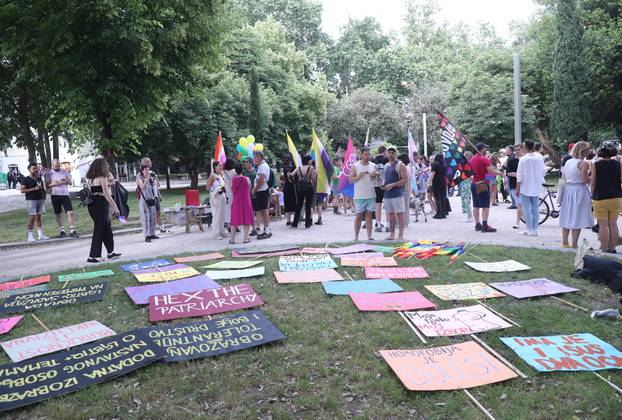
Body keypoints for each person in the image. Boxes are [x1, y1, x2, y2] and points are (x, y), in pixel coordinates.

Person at [85, 158, 120, 263]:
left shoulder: (90, 178)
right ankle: (93, 256)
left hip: (92, 205)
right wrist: (116, 208)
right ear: (102, 166)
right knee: (99, 230)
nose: (107, 166)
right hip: (100, 204)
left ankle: (110, 253)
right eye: (106, 165)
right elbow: (106, 194)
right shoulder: (102, 177)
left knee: (106, 229)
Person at [559, 141, 593, 248]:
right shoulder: (583, 163)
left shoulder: (568, 162)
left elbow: (564, 176)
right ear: (584, 151)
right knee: (577, 216)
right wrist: (592, 176)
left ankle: (565, 242)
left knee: (567, 215)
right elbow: (584, 180)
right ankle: (574, 244)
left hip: (568, 190)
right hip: (579, 190)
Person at [590, 140, 622, 253]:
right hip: (616, 197)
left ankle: (604, 248)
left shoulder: (596, 164)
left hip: (601, 197)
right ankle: (612, 248)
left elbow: (593, 182)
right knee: (613, 223)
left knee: (603, 225)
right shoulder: (618, 164)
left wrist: (592, 195)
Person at [516, 139, 547, 236]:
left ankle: (530, 230)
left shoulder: (523, 159)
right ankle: (535, 229)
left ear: (525, 147)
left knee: (527, 209)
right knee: (535, 209)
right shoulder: (539, 158)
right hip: (536, 186)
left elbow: (519, 176)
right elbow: (543, 171)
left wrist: (517, 188)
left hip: (525, 186)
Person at [471, 143, 502, 232]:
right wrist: (500, 173)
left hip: (474, 183)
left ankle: (477, 224)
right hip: (482, 185)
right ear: (482, 149)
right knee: (485, 206)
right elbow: (491, 172)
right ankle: (485, 226)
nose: (486, 150)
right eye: (485, 148)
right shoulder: (484, 159)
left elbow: (486, 173)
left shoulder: (472, 159)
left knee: (476, 206)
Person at [349, 147, 378, 241]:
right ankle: (356, 237)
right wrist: (360, 176)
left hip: (371, 194)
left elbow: (376, 180)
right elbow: (350, 180)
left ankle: (369, 236)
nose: (367, 156)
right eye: (365, 154)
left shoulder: (373, 165)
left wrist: (375, 176)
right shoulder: (355, 166)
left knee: (369, 215)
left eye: (369, 154)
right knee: (358, 216)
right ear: (361, 155)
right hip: (359, 195)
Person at [45, 158, 77, 237]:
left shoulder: (64, 171)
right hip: (55, 195)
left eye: (58, 165)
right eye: (55, 166)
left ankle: (72, 231)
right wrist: (54, 184)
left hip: (65, 195)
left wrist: (65, 180)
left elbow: (70, 182)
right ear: (52, 165)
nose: (57, 167)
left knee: (70, 213)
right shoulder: (49, 173)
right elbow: (47, 186)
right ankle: (62, 231)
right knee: (58, 214)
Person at [383, 146, 408, 240]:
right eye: (389, 152)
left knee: (400, 214)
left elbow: (405, 180)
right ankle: (392, 234)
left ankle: (400, 235)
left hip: (397, 194)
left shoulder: (401, 165)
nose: (391, 154)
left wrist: (393, 185)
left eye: (393, 152)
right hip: (387, 194)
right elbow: (384, 180)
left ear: (396, 154)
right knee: (390, 215)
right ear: (386, 154)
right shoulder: (386, 166)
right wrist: (382, 184)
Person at [20, 162, 49, 242]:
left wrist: (44, 177)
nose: (36, 170)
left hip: (40, 198)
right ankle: (30, 236)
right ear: (29, 170)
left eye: (36, 168)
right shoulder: (25, 179)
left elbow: (45, 186)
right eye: (34, 168)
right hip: (31, 200)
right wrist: (34, 189)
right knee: (32, 217)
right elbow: (22, 190)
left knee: (38, 217)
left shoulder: (39, 178)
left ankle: (40, 235)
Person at [229, 163, 254, 244]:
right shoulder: (247, 179)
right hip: (246, 200)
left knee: (234, 219)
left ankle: (232, 239)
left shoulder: (233, 180)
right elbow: (249, 188)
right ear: (242, 170)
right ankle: (245, 238)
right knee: (247, 219)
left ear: (235, 171)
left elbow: (232, 189)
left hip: (236, 201)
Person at [290, 155, 317, 229]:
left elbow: (291, 175)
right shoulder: (311, 168)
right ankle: (307, 224)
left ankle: (295, 223)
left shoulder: (298, 167)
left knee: (299, 205)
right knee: (308, 205)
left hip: (300, 188)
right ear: (308, 161)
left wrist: (295, 182)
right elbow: (314, 179)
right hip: (309, 187)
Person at [136, 159, 158, 242]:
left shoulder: (151, 173)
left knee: (152, 216)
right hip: (143, 199)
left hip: (151, 198)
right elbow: (141, 187)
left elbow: (156, 185)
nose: (148, 170)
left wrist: (154, 177)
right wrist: (147, 178)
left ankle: (152, 234)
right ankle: (147, 236)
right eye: (146, 169)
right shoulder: (139, 176)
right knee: (145, 217)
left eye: (148, 169)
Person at [252, 151, 272, 239]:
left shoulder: (263, 166)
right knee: (263, 211)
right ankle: (266, 230)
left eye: (255, 157)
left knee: (264, 211)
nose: (254, 159)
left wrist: (255, 189)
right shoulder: (261, 166)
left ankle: (267, 231)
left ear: (260, 157)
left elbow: (261, 180)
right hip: (261, 190)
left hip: (262, 191)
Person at [206, 160, 227, 239]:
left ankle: (222, 231)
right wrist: (215, 189)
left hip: (222, 196)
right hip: (216, 197)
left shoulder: (221, 175)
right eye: (219, 165)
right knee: (217, 215)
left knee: (222, 215)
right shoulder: (212, 176)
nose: (221, 167)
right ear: (215, 167)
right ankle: (216, 234)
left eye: (221, 165)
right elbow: (208, 188)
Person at [506, 144, 524, 230]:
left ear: (522, 150)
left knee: (524, 204)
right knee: (519, 203)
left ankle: (527, 219)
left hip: (525, 185)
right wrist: (518, 175)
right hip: (514, 185)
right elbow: (508, 173)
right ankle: (518, 221)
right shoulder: (511, 160)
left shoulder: (526, 160)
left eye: (519, 149)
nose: (517, 151)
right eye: (516, 150)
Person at [429, 153, 448, 219]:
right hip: (443, 182)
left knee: (437, 198)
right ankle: (443, 213)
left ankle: (438, 214)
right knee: (442, 198)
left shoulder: (434, 164)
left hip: (436, 183)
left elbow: (432, 174)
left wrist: (428, 183)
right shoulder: (444, 164)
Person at [373, 145, 388, 232]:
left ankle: (378, 224)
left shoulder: (373, 160)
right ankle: (388, 225)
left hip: (376, 186)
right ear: (385, 151)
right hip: (385, 185)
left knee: (377, 205)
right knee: (387, 206)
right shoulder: (386, 160)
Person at [222, 158, 236, 232]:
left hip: (225, 192)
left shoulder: (222, 172)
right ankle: (233, 225)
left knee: (227, 209)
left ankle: (228, 224)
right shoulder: (234, 172)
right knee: (233, 209)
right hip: (232, 192)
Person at [459, 151, 473, 222]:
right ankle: (468, 214)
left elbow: (470, 174)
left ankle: (469, 215)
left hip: (466, 183)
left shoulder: (467, 164)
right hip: (464, 182)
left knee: (466, 199)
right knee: (466, 198)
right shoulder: (465, 164)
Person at [398, 153, 411, 227]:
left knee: (405, 206)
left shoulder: (405, 168)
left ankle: (405, 223)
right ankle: (405, 222)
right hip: (407, 188)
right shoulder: (407, 167)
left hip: (405, 188)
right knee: (406, 206)